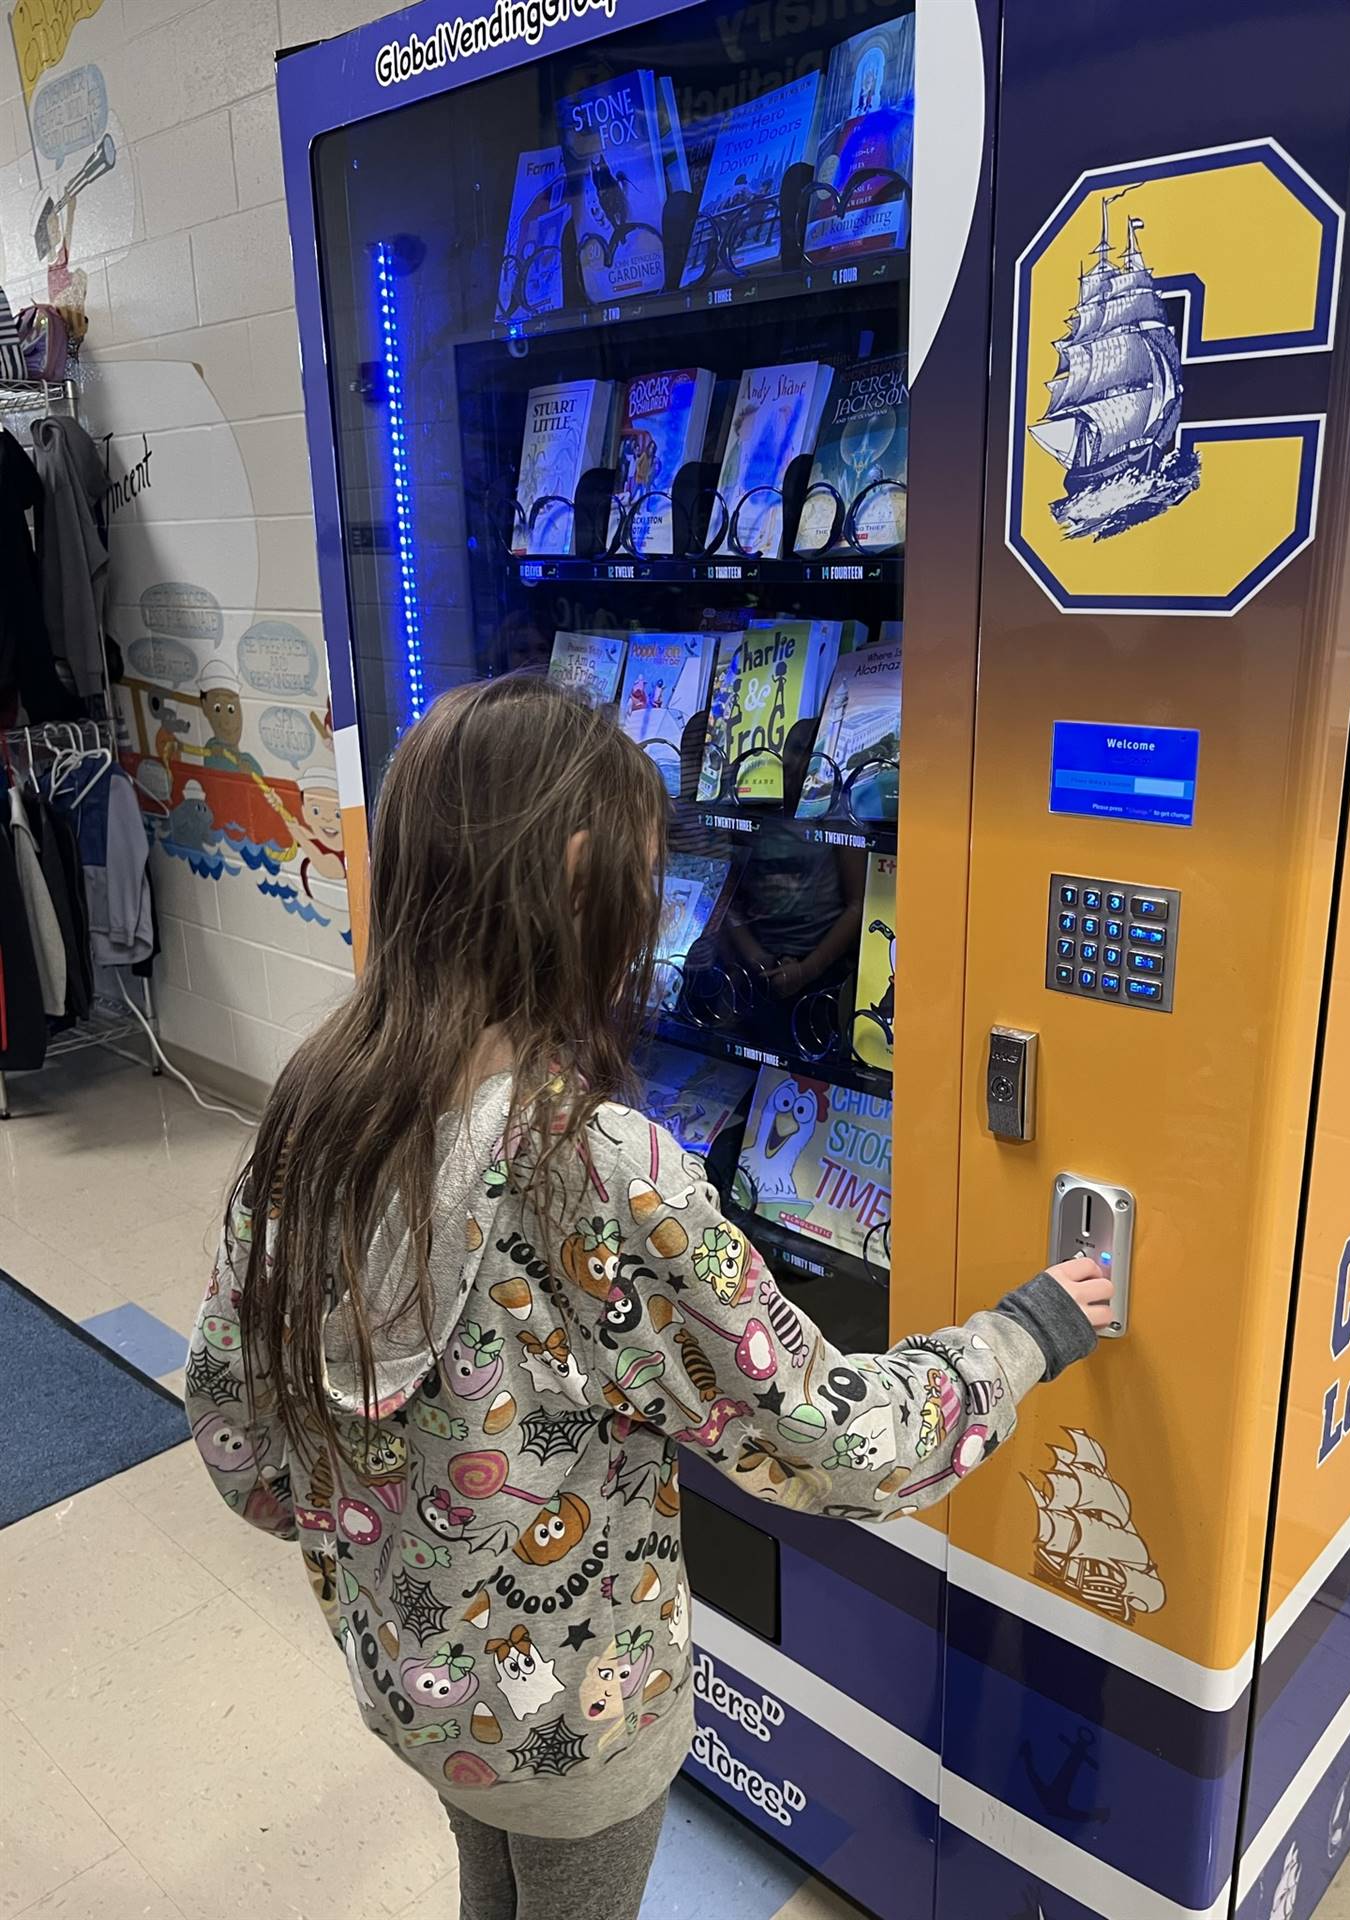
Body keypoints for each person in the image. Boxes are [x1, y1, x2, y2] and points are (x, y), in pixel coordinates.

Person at [185, 677, 1111, 1920]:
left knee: (492, 1883)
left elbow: (244, 1448)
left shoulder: (312, 1115)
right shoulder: (603, 1175)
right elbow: (838, 1443)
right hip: (582, 1723)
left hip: (413, 1682)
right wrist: (1025, 1333)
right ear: (580, 891)